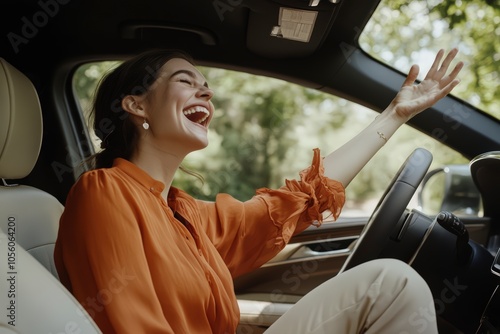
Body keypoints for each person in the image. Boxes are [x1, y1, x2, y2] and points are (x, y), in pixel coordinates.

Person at [54, 48, 463, 333]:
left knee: (388, 283)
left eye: (206, 85)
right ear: (137, 106)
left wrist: (396, 113)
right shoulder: (102, 192)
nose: (207, 92)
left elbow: (294, 203)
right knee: (389, 282)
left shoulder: (186, 213)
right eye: (185, 80)